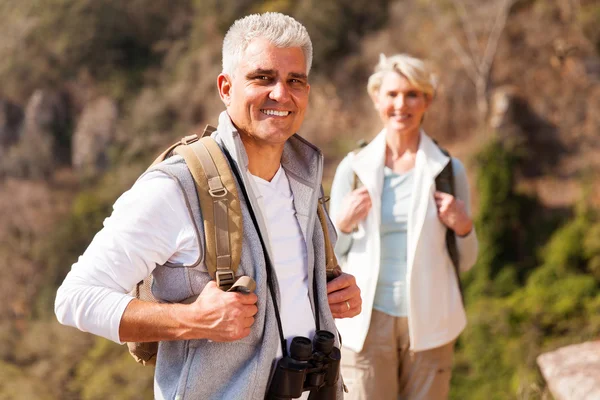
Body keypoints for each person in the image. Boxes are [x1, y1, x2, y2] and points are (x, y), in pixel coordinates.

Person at [55, 12, 361, 400]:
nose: (281, 94)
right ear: (225, 87)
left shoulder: (305, 178)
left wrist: (336, 293)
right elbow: (75, 298)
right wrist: (193, 320)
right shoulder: (179, 186)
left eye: (294, 80)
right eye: (262, 77)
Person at [328, 53, 479, 400]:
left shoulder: (449, 171)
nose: (401, 104)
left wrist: (464, 226)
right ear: (377, 98)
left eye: (412, 94)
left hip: (430, 321)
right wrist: (343, 224)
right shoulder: (352, 170)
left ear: (427, 100)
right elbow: (330, 259)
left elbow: (467, 261)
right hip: (364, 321)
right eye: (392, 94)